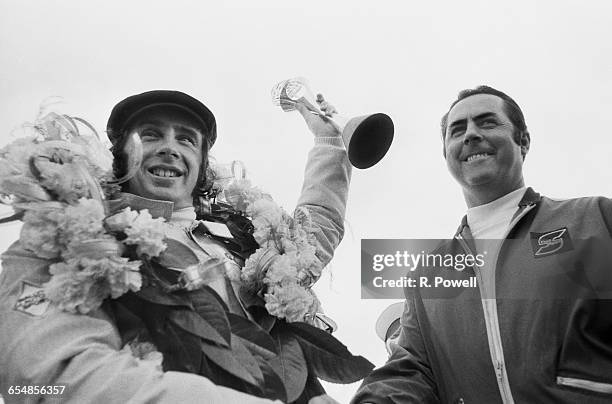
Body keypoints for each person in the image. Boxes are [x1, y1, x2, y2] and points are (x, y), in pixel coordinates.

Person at [0, 90, 350, 403]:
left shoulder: (244, 236)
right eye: (151, 134)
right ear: (119, 154)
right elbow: (49, 376)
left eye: (186, 140)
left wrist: (331, 144)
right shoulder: (65, 231)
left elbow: (314, 226)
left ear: (202, 165)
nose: (170, 148)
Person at [352, 86, 612, 403]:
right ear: (447, 153)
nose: (471, 135)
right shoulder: (427, 277)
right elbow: (410, 375)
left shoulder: (594, 219)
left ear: (523, 141)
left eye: (487, 122)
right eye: (457, 130)